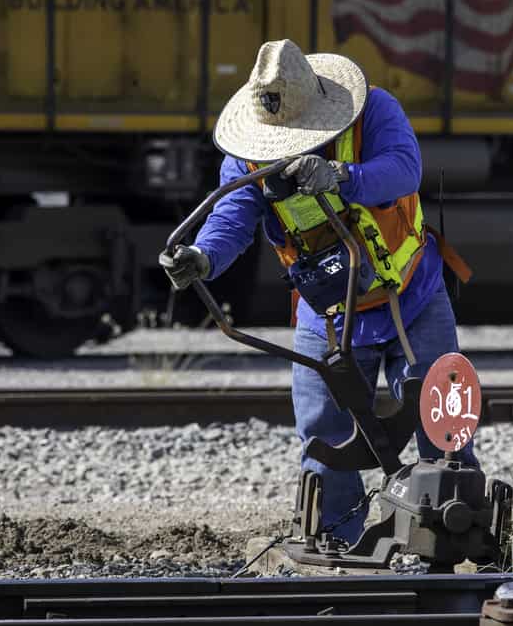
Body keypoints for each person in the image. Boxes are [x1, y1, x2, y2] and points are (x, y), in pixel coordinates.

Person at [160, 39, 475, 544]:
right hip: (327, 310)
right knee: (323, 432)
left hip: (408, 296)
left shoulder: (374, 111)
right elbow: (232, 215)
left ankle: (457, 535)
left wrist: (339, 176)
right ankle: (338, 544)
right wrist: (203, 257)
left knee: (445, 423)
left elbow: (403, 169)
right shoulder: (246, 156)